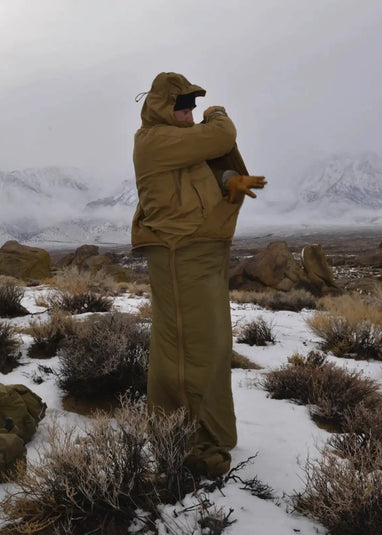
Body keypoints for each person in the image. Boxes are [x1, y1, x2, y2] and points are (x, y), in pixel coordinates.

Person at [132, 72, 266, 477]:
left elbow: (200, 173)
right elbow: (220, 139)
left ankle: (214, 433)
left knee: (212, 345)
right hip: (179, 253)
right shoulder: (153, 140)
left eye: (193, 107)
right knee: (190, 349)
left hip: (200, 249)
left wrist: (228, 179)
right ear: (162, 108)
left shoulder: (176, 143)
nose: (190, 114)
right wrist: (217, 113)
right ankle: (187, 442)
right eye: (182, 107)